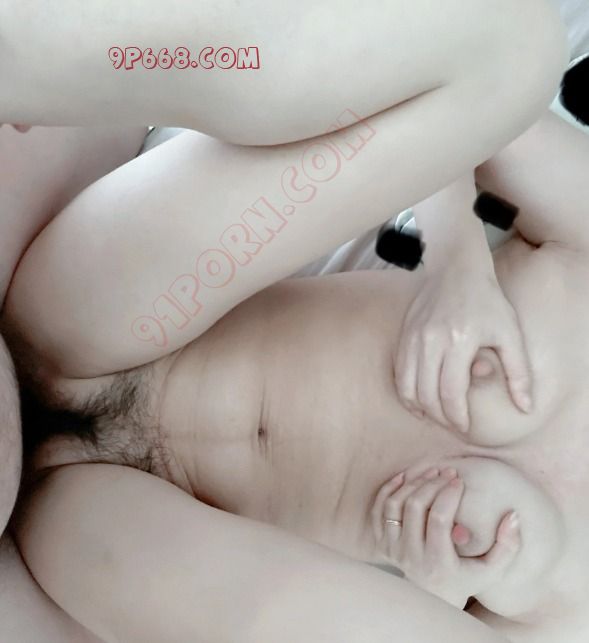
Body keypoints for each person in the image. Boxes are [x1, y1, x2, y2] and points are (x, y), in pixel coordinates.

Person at [2, 99, 588, 642]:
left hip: (120, 530)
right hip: (121, 326)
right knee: (499, 60)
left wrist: (435, 590)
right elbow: (458, 89)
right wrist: (457, 267)